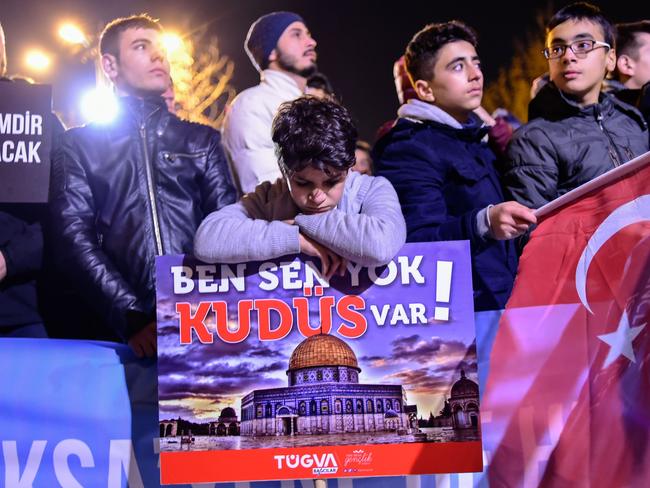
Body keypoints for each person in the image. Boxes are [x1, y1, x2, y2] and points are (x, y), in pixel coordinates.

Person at [49, 15, 236, 357]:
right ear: (110, 65)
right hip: (118, 335)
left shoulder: (202, 140)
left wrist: (212, 309)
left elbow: (228, 231)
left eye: (161, 49)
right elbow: (72, 237)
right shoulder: (78, 145)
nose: (158, 56)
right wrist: (130, 314)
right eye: (141, 46)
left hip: (201, 322)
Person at [373, 21, 536, 311]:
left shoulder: (474, 138)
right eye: (458, 67)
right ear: (424, 89)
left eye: (476, 63)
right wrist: (484, 222)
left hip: (508, 301)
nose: (475, 75)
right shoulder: (408, 148)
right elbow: (417, 245)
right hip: (468, 317)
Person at [195, 96, 406, 277]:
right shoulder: (271, 196)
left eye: (332, 182)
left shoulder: (373, 189)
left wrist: (300, 223)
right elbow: (207, 239)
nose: (317, 196)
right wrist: (294, 238)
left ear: (349, 166)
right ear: (283, 169)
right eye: (303, 183)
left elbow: (380, 245)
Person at [505, 2, 649, 209]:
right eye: (557, 48)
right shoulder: (533, 140)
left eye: (583, 46)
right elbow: (535, 232)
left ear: (610, 59)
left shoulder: (632, 120)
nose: (568, 57)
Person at [222, 11, 318, 193]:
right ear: (271, 51)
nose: (311, 42)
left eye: (309, 35)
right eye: (296, 34)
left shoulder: (314, 105)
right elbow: (266, 193)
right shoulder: (251, 105)